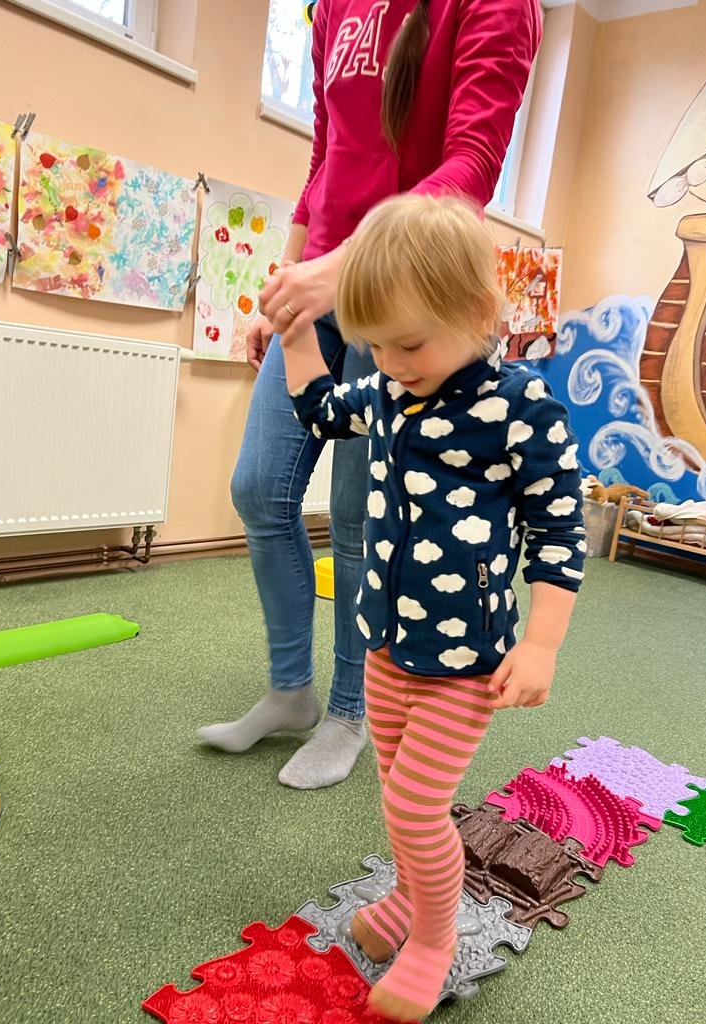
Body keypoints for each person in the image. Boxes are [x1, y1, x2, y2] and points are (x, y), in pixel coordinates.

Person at [198, 0, 543, 789]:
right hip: (321, 285)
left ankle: (350, 712)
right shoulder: (334, 8)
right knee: (258, 489)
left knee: (360, 520)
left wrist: (348, 266)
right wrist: (287, 283)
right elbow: (324, 160)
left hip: (405, 297)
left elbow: (471, 164)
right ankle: (291, 691)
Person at [282, 193, 585, 1021]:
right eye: (375, 345)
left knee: (418, 807)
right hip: (384, 646)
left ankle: (433, 937)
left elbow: (560, 529)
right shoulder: (389, 390)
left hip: (464, 662)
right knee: (398, 798)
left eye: (408, 343)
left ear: (479, 312)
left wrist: (543, 645)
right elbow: (320, 410)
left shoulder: (520, 407)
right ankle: (412, 897)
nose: (391, 362)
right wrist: (297, 333)